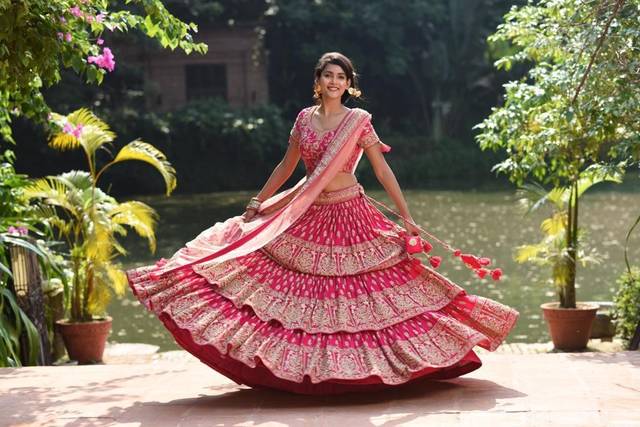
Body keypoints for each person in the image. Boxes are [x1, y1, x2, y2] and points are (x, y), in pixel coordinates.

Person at [126, 51, 519, 395]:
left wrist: (409, 216)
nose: (334, 82)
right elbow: (287, 165)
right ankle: (304, 373)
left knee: (371, 294)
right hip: (308, 212)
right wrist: (259, 200)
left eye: (341, 77)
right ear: (318, 81)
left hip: (352, 213)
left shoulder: (359, 121)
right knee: (297, 292)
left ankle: (385, 368)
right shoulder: (303, 119)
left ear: (349, 85)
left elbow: (382, 171)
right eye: (328, 75)